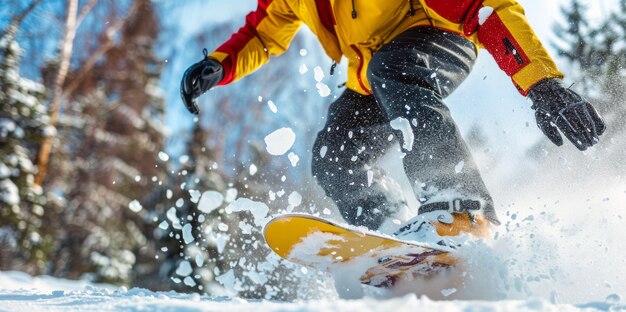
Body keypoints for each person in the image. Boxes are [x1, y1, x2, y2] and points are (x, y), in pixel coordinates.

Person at [180, 0, 605, 241]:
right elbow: (263, 32)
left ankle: (461, 208)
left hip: (437, 40)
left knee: (392, 68)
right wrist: (220, 64)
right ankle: (391, 228)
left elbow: (485, 10)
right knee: (334, 155)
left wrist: (542, 83)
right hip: (375, 71)